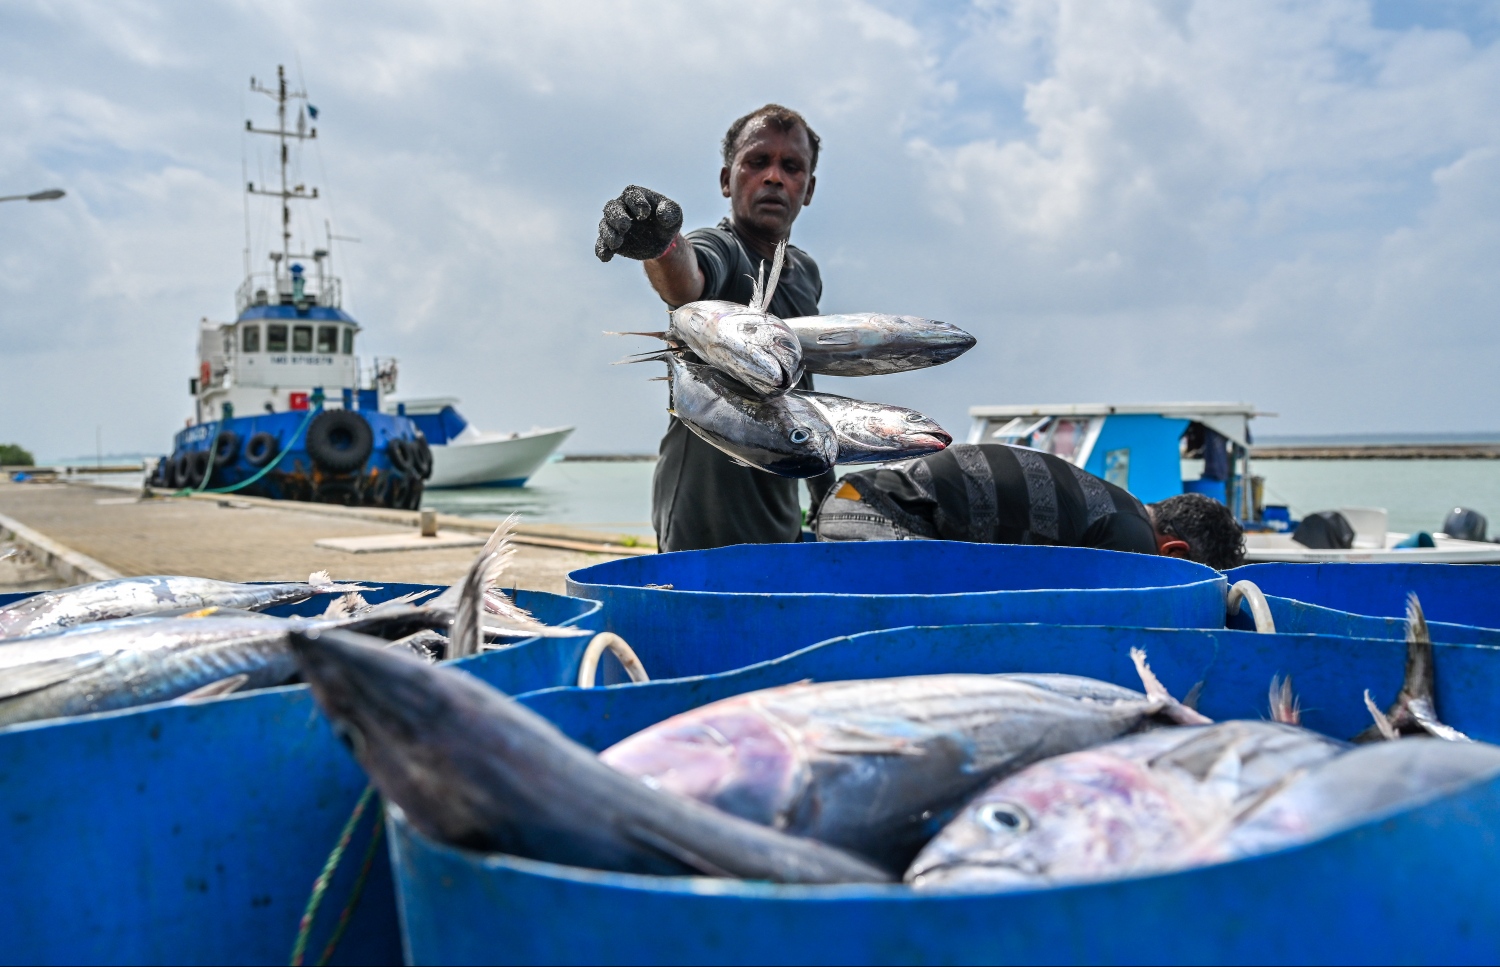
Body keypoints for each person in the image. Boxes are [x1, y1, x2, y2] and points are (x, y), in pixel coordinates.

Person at [596, 104, 835, 552]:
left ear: (809, 189)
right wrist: (662, 246)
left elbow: (804, 384)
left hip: (779, 513)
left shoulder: (806, 272)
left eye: (791, 166)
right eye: (757, 161)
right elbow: (690, 279)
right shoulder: (724, 248)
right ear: (727, 179)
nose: (774, 177)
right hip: (700, 516)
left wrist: (827, 495)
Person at [815, 443, 1246, 570]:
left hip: (856, 499)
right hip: (877, 515)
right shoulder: (1130, 537)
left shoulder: (1116, 506)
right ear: (1174, 552)